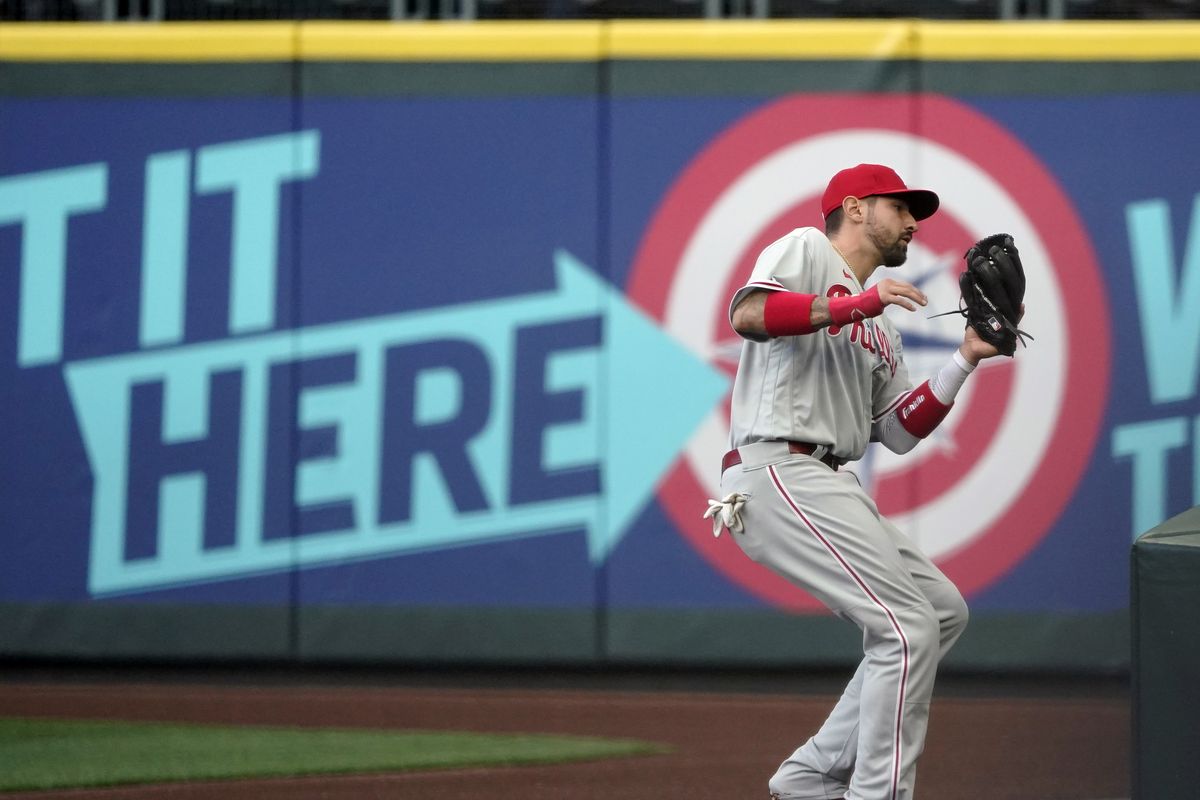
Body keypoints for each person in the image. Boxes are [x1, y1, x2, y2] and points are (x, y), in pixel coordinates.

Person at [707, 163, 1008, 800]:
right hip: (777, 467)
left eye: (914, 211)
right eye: (899, 207)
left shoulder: (884, 328)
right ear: (854, 207)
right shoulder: (805, 249)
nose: (911, 221)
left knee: (940, 613)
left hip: (827, 478)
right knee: (905, 628)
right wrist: (858, 303)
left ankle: (809, 778)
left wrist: (964, 359)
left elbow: (895, 431)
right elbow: (751, 313)